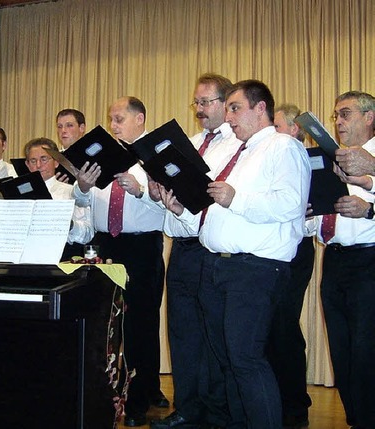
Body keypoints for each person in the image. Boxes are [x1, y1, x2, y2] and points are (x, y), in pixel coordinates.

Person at [198, 80, 310, 429]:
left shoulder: (283, 146)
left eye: (234, 108)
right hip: (219, 268)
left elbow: (290, 204)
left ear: (260, 108)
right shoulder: (240, 153)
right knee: (230, 361)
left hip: (256, 269)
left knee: (246, 359)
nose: (228, 117)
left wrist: (235, 199)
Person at [149, 73, 240, 429]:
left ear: (225, 102)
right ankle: (187, 408)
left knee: (215, 336)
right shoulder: (188, 143)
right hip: (182, 251)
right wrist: (159, 196)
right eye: (196, 103)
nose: (199, 110)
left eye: (206, 102)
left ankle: (218, 413)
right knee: (183, 332)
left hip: (213, 250)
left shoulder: (237, 147)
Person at [73, 96, 167, 427]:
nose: (113, 125)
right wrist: (83, 188)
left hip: (141, 246)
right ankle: (106, 393)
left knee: (140, 323)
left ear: (139, 118)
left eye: (119, 118)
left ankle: (139, 400)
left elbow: (172, 210)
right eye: (111, 119)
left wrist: (141, 191)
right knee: (103, 321)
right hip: (103, 245)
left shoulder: (154, 156)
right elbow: (84, 203)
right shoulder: (102, 153)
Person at [309, 91, 375, 429]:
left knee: (366, 352)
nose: (338, 122)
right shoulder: (332, 157)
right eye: (335, 115)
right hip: (334, 261)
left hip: (369, 262)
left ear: (369, 117)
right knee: (342, 349)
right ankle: (355, 419)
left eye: (345, 114)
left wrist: (370, 209)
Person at [268, 103, 314, 429]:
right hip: (272, 249)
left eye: (278, 126)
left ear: (294, 129)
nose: (273, 132)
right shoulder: (271, 158)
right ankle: (278, 399)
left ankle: (296, 405)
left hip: (296, 250)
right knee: (271, 327)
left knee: (284, 326)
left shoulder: (308, 159)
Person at [23, 137, 93, 254]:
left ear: (56, 162)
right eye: (33, 161)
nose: (38, 165)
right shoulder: (19, 195)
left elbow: (87, 234)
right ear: (27, 165)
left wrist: (69, 224)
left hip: (61, 256)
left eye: (44, 159)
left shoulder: (71, 193)